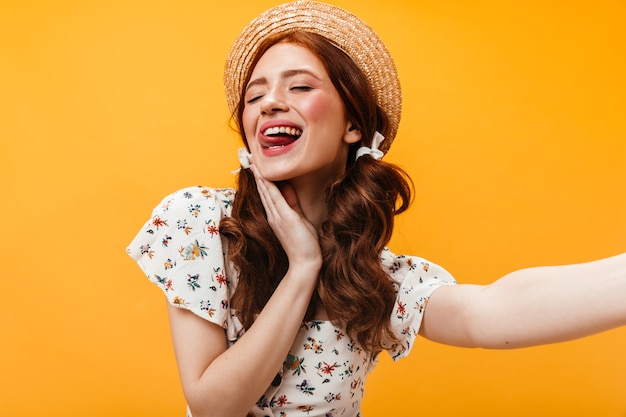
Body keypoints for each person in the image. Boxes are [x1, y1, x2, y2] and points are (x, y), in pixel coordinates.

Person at [126, 1, 626, 416]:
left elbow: (493, 313)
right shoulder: (200, 222)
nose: (269, 103)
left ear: (354, 126)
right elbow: (214, 406)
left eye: (299, 86)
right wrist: (303, 268)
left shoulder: (371, 279)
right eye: (255, 95)